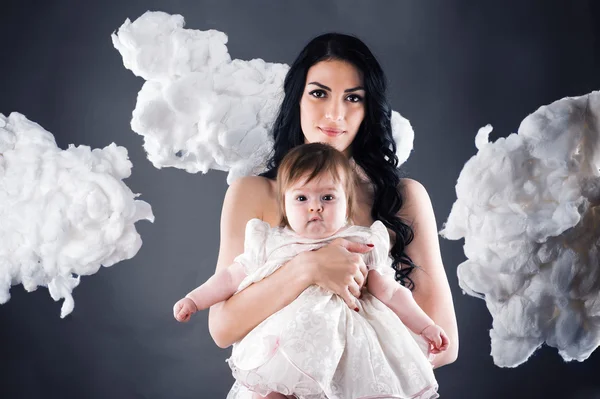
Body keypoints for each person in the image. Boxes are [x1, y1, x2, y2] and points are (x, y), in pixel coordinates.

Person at [207, 33, 459, 398]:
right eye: (319, 93)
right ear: (296, 98)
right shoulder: (253, 194)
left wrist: (343, 372)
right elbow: (223, 328)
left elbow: (444, 343)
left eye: (353, 98)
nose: (334, 114)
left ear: (368, 110)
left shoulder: (404, 198)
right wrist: (309, 267)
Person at [174, 143, 449, 398]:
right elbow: (231, 277)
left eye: (328, 197)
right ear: (284, 204)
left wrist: (426, 326)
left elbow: (391, 291)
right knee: (274, 392)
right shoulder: (274, 244)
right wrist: (195, 300)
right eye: (302, 198)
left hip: (349, 352)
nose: (315, 206)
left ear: (347, 203)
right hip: (291, 347)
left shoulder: (360, 244)